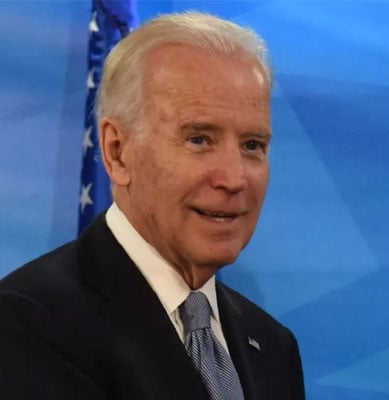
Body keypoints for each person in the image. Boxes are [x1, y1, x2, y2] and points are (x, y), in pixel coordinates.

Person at [0, 12, 304, 400]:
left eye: (252, 145)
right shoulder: (30, 323)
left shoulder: (273, 346)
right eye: (199, 139)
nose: (234, 178)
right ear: (118, 151)